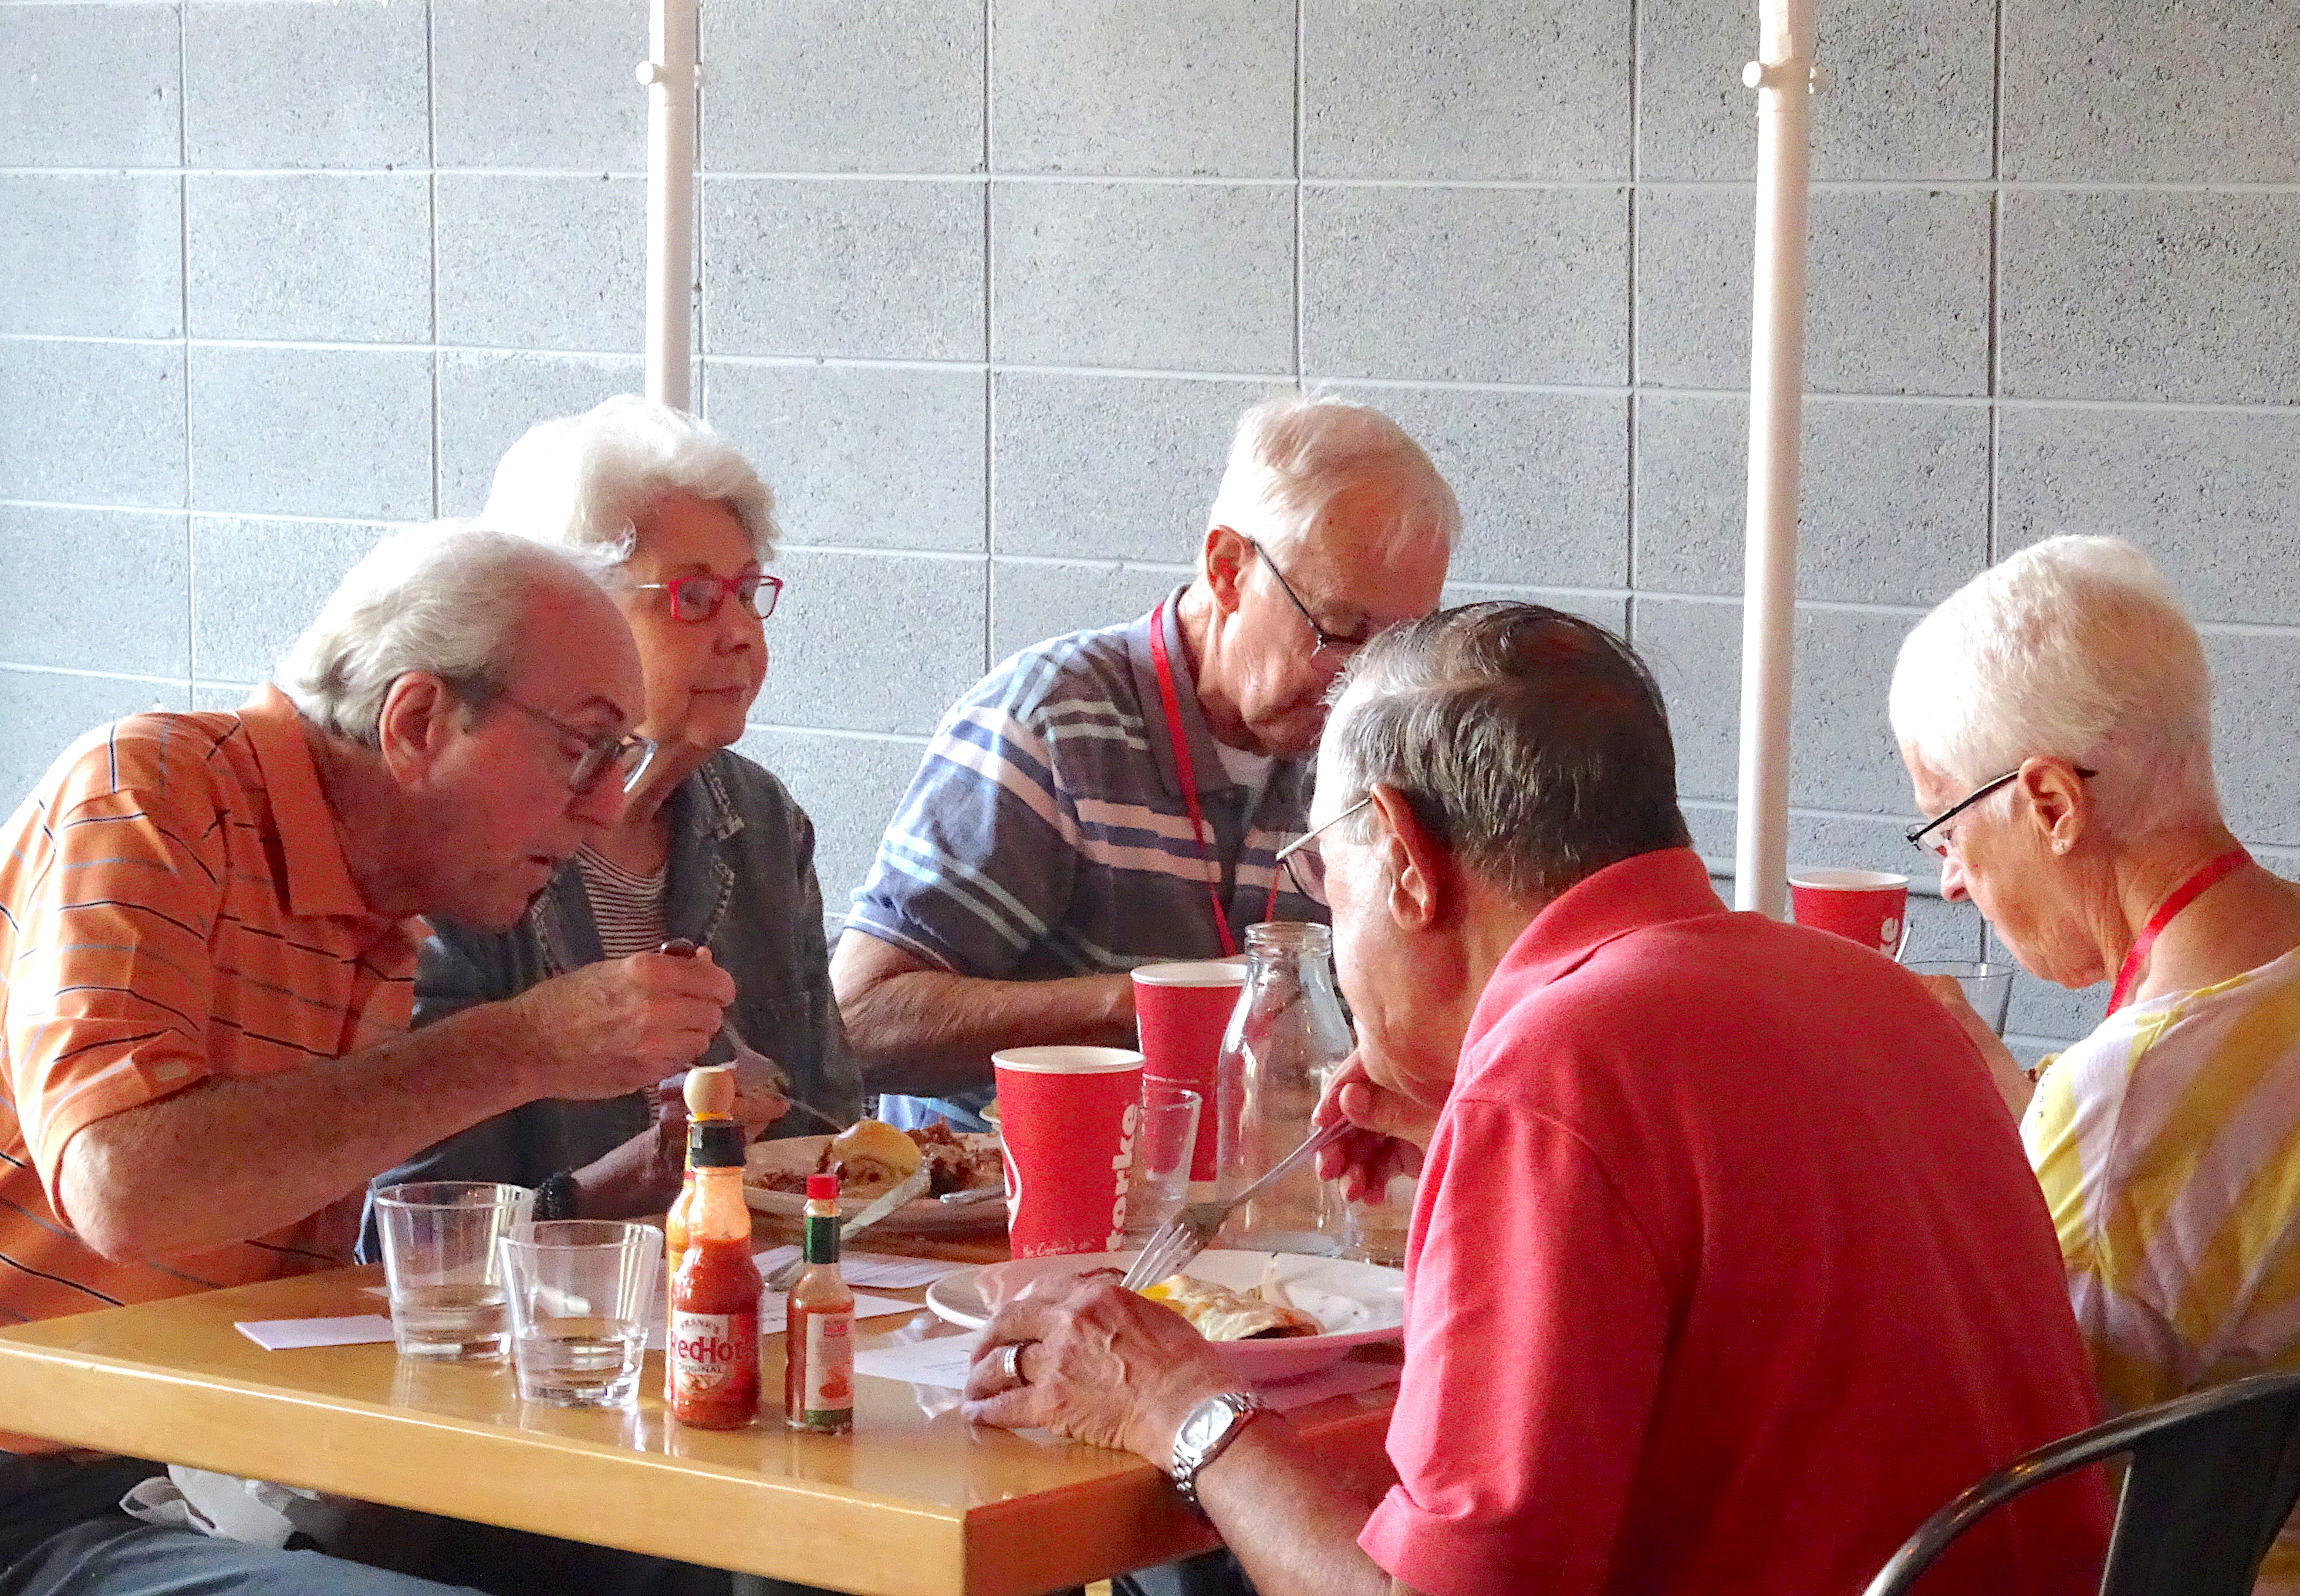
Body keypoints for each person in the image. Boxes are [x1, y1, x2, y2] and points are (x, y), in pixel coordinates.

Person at [962, 603, 2113, 1596]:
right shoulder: (1877, 992)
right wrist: (1464, 1139)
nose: (1333, 927)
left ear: (1408, 859)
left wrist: (1175, 1402)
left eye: (1331, 877)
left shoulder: (1562, 1068)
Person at [0, 525, 738, 1594]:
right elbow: (126, 1188)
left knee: (679, 1557)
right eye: (583, 747)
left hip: (186, 1480)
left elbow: (271, 1283)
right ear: (418, 720)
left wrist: (596, 1193)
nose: (605, 809)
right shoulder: (150, 793)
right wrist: (522, 1044)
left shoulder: (379, 915)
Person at [1890, 536, 2300, 1595]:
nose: (1955, 884)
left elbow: (2028, 1508)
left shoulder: (2127, 1112)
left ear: (2052, 803)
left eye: (1947, 833)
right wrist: (2039, 1118)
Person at [833, 394, 1459, 1128]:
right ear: (1228, 570)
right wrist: (1137, 1008)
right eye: (1340, 630)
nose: (1361, 682)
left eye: (1395, 645)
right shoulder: (1050, 722)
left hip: (1250, 1196)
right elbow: (858, 1020)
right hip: (1000, 1210)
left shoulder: (1371, 737)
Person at [377, 397, 857, 1229]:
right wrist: (633, 1179)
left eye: (749, 593)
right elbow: (415, 1240)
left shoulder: (761, 821)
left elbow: (832, 1136)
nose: (741, 631)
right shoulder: (472, 842)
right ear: (567, 613)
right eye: (696, 597)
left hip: (743, 1299)